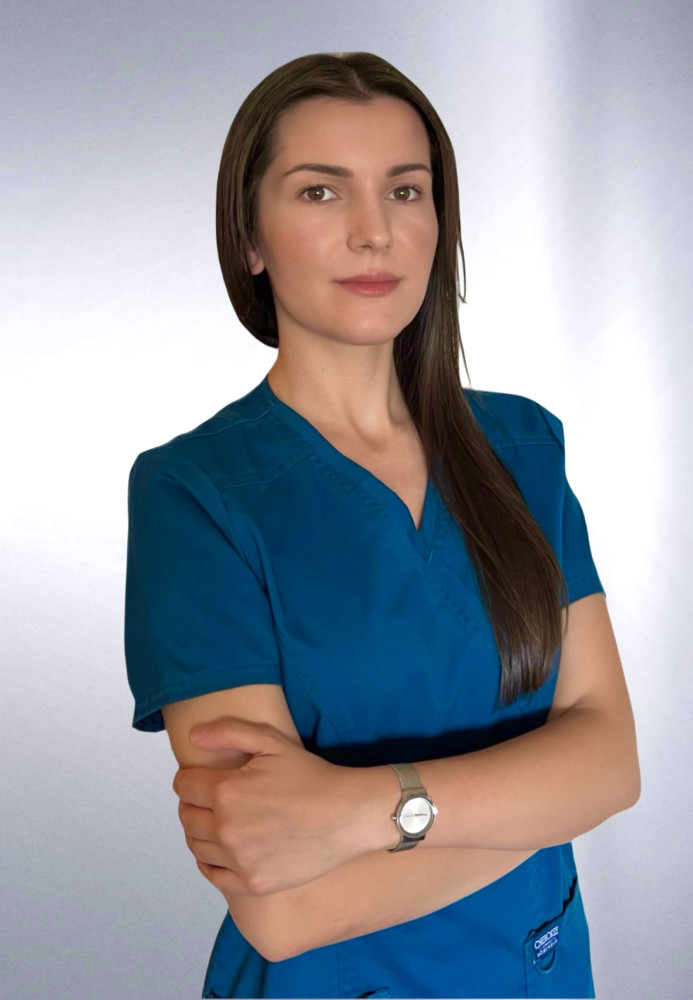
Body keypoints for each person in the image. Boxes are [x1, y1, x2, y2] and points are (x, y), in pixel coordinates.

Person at [123, 52, 640, 1000]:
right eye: (320, 191)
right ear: (249, 238)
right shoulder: (196, 494)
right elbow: (284, 911)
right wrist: (542, 795)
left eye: (405, 190)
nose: (374, 232)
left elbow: (612, 765)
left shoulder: (523, 448)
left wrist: (364, 809)